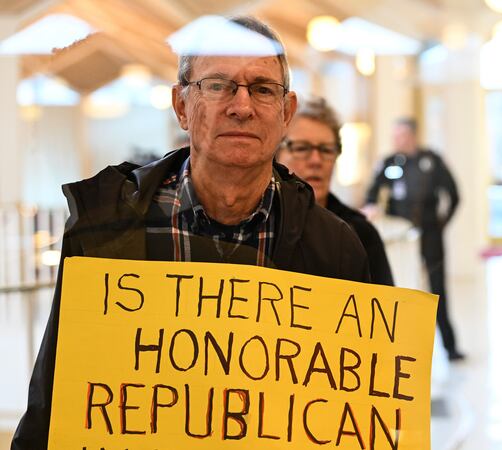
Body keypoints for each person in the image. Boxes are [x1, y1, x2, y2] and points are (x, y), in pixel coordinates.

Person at [12, 16, 370, 450]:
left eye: (262, 89)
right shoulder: (105, 231)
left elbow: (351, 414)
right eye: (218, 85)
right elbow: (54, 398)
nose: (242, 106)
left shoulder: (334, 247)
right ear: (181, 105)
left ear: (286, 113)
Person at [364, 118, 463, 361]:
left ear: (413, 136)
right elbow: (373, 195)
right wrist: (374, 209)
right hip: (401, 239)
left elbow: (453, 195)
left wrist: (441, 224)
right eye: (395, 136)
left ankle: (450, 347)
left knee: (437, 289)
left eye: (402, 136)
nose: (398, 141)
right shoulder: (389, 163)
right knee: (402, 288)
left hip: (430, 235)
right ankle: (403, 349)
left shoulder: (432, 161)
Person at [278, 96, 394, 286]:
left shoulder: (360, 233)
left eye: (326, 150)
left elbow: (385, 311)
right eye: (301, 148)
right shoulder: (260, 226)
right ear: (276, 154)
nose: (316, 160)